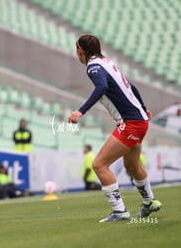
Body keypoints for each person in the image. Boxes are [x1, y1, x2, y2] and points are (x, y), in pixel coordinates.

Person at [68, 34, 162, 222]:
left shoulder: (93, 66)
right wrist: (143, 108)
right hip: (140, 120)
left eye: (76, 50)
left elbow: (101, 86)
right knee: (132, 165)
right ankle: (149, 202)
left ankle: (119, 211)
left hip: (131, 123)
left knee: (99, 164)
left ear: (81, 51)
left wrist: (80, 111)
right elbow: (131, 86)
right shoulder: (107, 62)